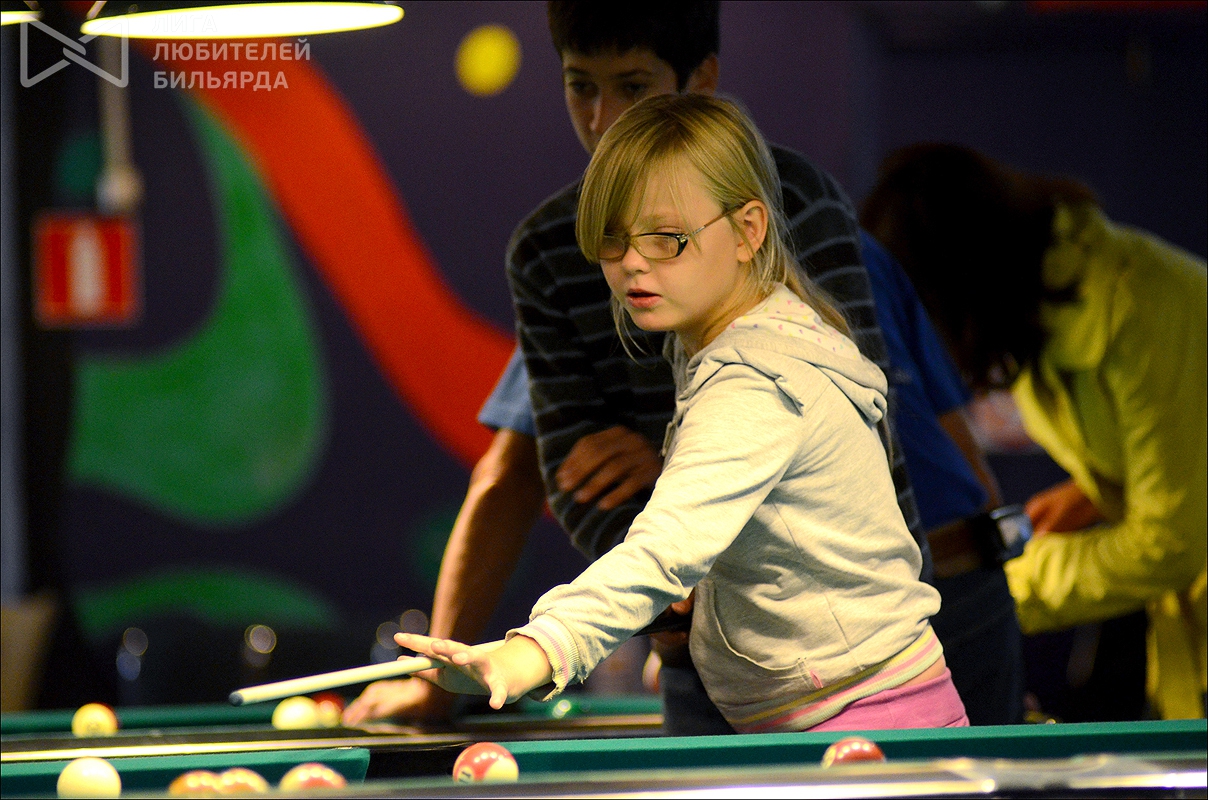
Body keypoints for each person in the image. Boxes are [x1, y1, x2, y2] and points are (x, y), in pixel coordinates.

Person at [347, 0, 933, 734]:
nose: (630, 264)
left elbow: (663, 549)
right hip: (816, 702)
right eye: (613, 239)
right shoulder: (743, 333)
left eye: (667, 239)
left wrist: (533, 651)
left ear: (750, 229)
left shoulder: (754, 380)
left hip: (861, 719)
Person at [861, 143, 1207, 720]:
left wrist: (994, 587)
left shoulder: (1137, 304)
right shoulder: (1053, 312)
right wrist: (1090, 495)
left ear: (960, 284)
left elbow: (1170, 543)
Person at [861, 230, 1026, 725]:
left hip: (957, 585)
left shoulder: (858, 251)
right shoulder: (862, 248)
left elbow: (955, 432)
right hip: (958, 580)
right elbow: (959, 436)